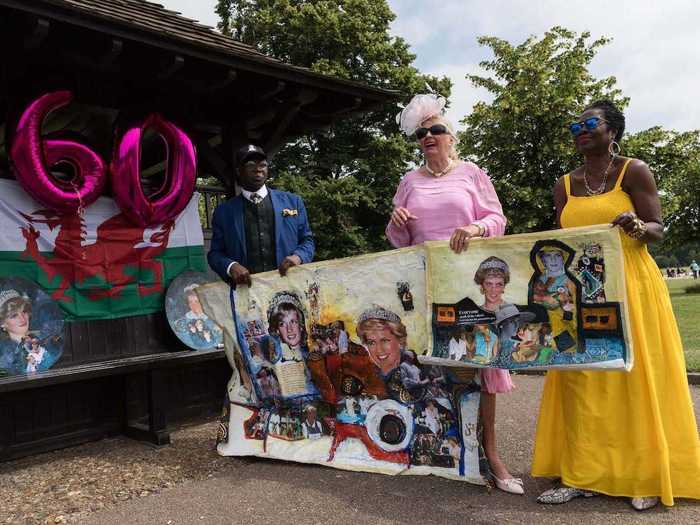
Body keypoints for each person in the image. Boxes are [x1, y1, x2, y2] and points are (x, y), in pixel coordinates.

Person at [533, 100, 700, 510]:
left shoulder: (634, 170)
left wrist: (638, 226)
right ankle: (581, 473)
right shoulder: (564, 185)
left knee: (635, 378)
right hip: (582, 293)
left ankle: (642, 475)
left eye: (590, 123)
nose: (581, 130)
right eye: (575, 125)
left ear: (613, 130)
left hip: (631, 284)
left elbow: (657, 229)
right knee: (585, 381)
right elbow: (560, 240)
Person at [387, 94, 520, 495]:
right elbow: (399, 242)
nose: (429, 136)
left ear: (451, 136)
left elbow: (497, 218)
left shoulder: (472, 174)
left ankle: (493, 457)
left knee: (482, 365)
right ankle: (450, 451)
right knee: (435, 370)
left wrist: (477, 228)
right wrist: (396, 221)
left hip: (471, 285)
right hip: (430, 286)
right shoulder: (408, 182)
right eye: (422, 132)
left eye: (437, 129)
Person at [207, 144, 315, 286]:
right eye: (251, 165)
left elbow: (308, 241)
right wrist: (230, 266)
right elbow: (215, 254)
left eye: (263, 165)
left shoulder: (293, 202)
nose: (258, 170)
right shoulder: (223, 212)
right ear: (239, 171)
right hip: (247, 291)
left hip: (290, 284)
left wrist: (298, 257)